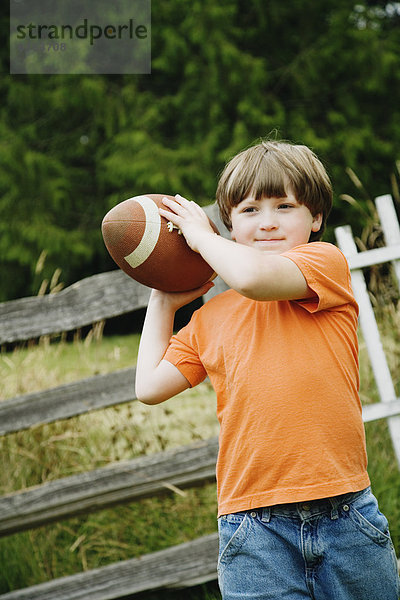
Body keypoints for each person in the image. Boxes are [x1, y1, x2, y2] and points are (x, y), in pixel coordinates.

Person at [135, 140, 400, 600]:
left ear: (315, 218)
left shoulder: (323, 267)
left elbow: (254, 279)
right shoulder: (210, 318)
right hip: (253, 530)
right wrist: (162, 298)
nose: (268, 221)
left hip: (345, 515)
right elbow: (149, 386)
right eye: (250, 209)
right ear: (230, 221)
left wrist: (202, 237)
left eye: (285, 205)